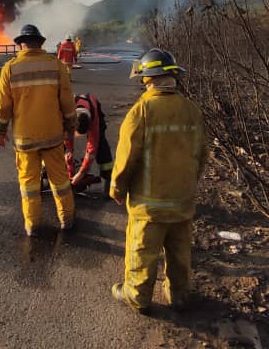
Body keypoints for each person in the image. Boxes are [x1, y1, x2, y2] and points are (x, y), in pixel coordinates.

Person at [110, 48, 211, 313]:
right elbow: (202, 153)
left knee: (142, 254)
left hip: (149, 207)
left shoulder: (141, 111)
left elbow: (126, 158)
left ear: (147, 78)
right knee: (179, 254)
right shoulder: (192, 110)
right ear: (173, 75)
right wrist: (189, 183)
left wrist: (117, 188)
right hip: (181, 202)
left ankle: (137, 297)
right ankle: (178, 296)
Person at [0, 24, 77, 236]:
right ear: (41, 43)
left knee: (29, 185)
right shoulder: (56, 66)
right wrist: (70, 126)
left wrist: (0, 129)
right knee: (60, 181)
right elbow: (67, 100)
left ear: (21, 44)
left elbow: (4, 105)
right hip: (52, 136)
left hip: (25, 139)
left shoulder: (10, 68)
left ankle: (32, 225)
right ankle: (67, 219)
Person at [63, 92, 114, 194]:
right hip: (74, 113)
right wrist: (69, 156)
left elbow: (92, 149)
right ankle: (50, 171)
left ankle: (107, 175)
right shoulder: (67, 113)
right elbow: (68, 138)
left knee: (100, 143)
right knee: (60, 144)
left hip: (94, 108)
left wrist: (81, 173)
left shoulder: (94, 120)